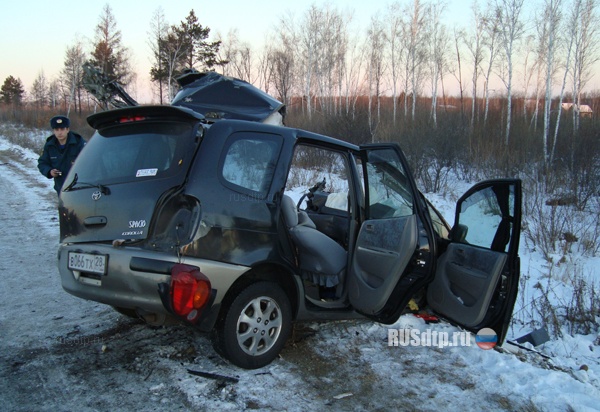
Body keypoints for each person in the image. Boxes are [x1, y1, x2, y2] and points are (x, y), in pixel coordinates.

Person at [37, 115, 86, 195]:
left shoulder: (79, 143)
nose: (60, 132)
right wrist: (50, 171)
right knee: (64, 207)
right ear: (53, 131)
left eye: (62, 129)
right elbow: (42, 162)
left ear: (67, 130)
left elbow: (89, 162)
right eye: (57, 129)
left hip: (80, 186)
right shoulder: (50, 145)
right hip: (61, 187)